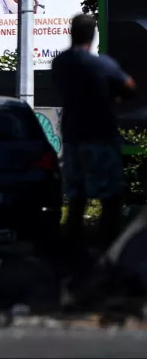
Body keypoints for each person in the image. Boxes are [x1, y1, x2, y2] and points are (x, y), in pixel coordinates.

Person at [52, 14, 136, 247]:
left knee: (77, 197)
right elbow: (130, 86)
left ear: (72, 33)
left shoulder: (60, 63)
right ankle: (108, 246)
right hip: (100, 136)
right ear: (92, 35)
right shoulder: (102, 64)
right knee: (111, 197)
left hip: (72, 136)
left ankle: (71, 245)